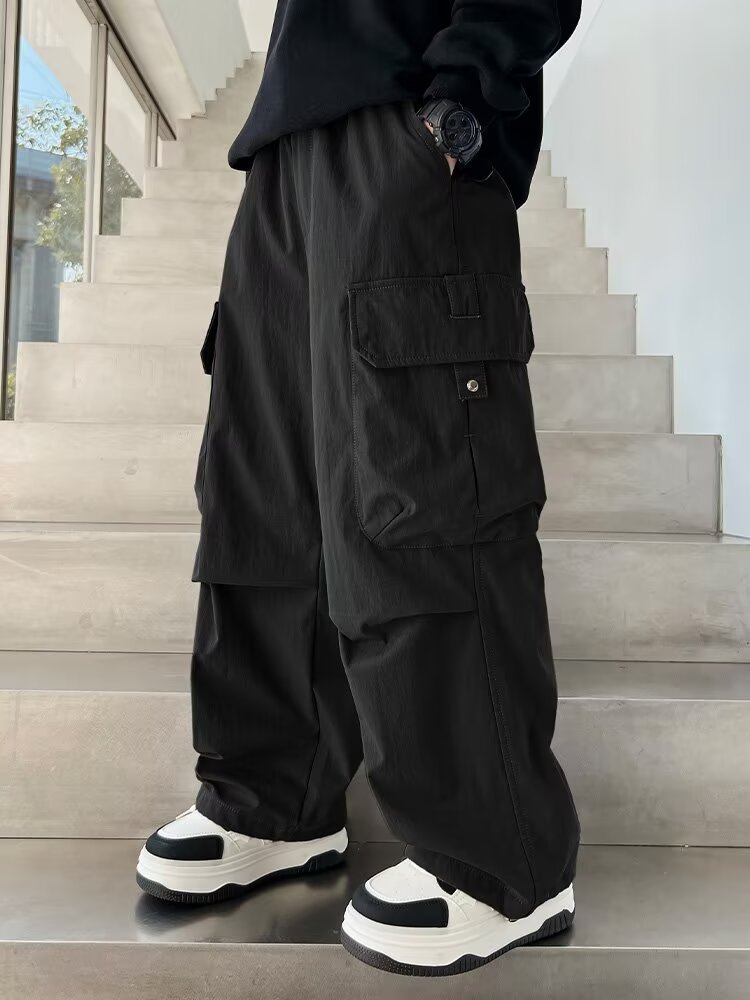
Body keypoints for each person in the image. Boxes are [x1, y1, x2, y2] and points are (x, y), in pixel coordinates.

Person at [136, 0, 583, 977]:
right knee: (264, 499)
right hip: (285, 152)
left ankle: (504, 857)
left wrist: (463, 97)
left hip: (408, 122)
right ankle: (275, 801)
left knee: (421, 489)